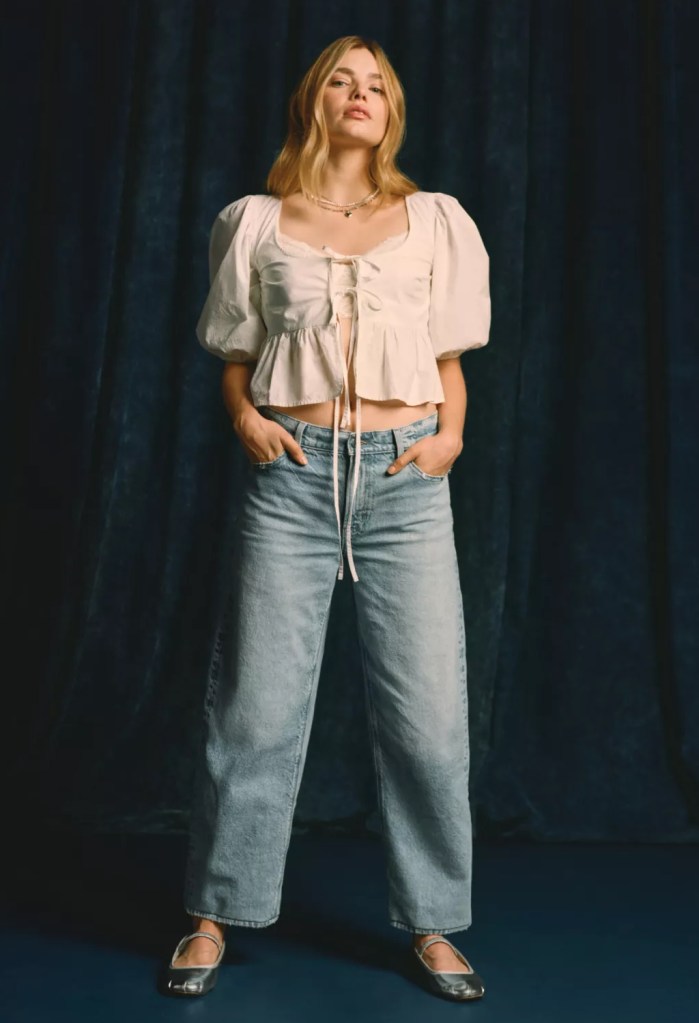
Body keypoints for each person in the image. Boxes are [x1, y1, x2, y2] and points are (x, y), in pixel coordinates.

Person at [164, 34, 491, 1003]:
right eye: (343, 81)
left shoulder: (434, 219)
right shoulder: (258, 221)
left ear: (392, 110)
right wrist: (246, 421)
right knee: (256, 709)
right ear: (317, 100)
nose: (361, 95)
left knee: (428, 720)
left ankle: (434, 924)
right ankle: (212, 916)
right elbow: (234, 350)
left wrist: (449, 442)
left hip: (406, 481)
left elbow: (450, 358)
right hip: (294, 482)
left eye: (377, 85)